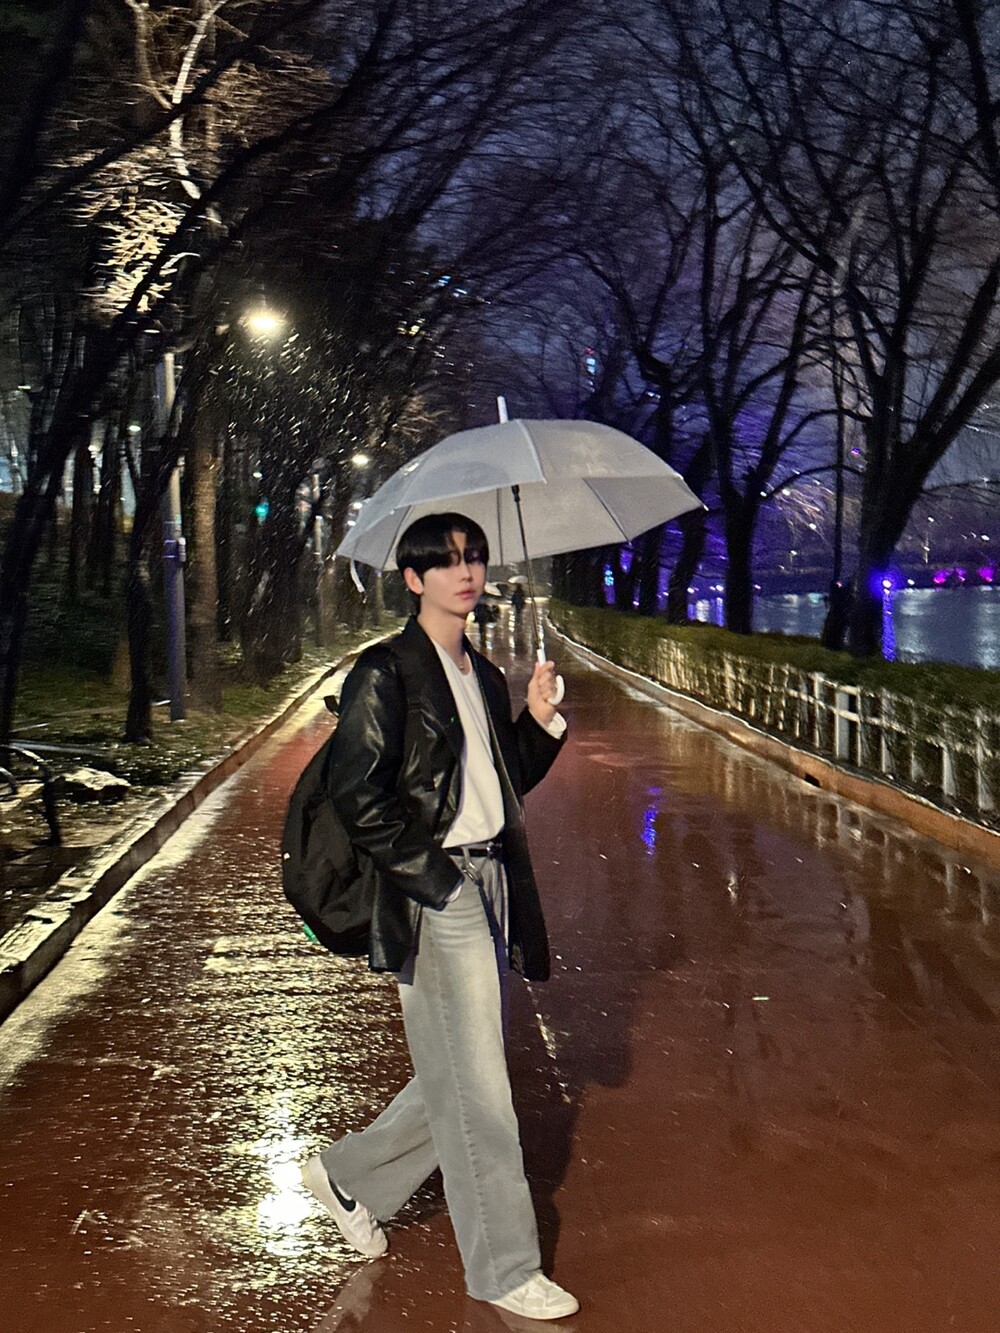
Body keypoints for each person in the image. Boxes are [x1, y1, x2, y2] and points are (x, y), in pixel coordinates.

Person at [300, 511, 578, 1322]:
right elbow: (357, 792)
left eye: (474, 557)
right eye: (447, 561)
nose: (466, 572)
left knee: (460, 1068)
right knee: (482, 1087)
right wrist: (437, 882)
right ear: (414, 579)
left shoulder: (481, 673)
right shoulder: (387, 671)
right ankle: (504, 1266)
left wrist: (537, 718)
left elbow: (501, 780)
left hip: (491, 879)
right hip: (437, 890)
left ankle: (346, 1174)